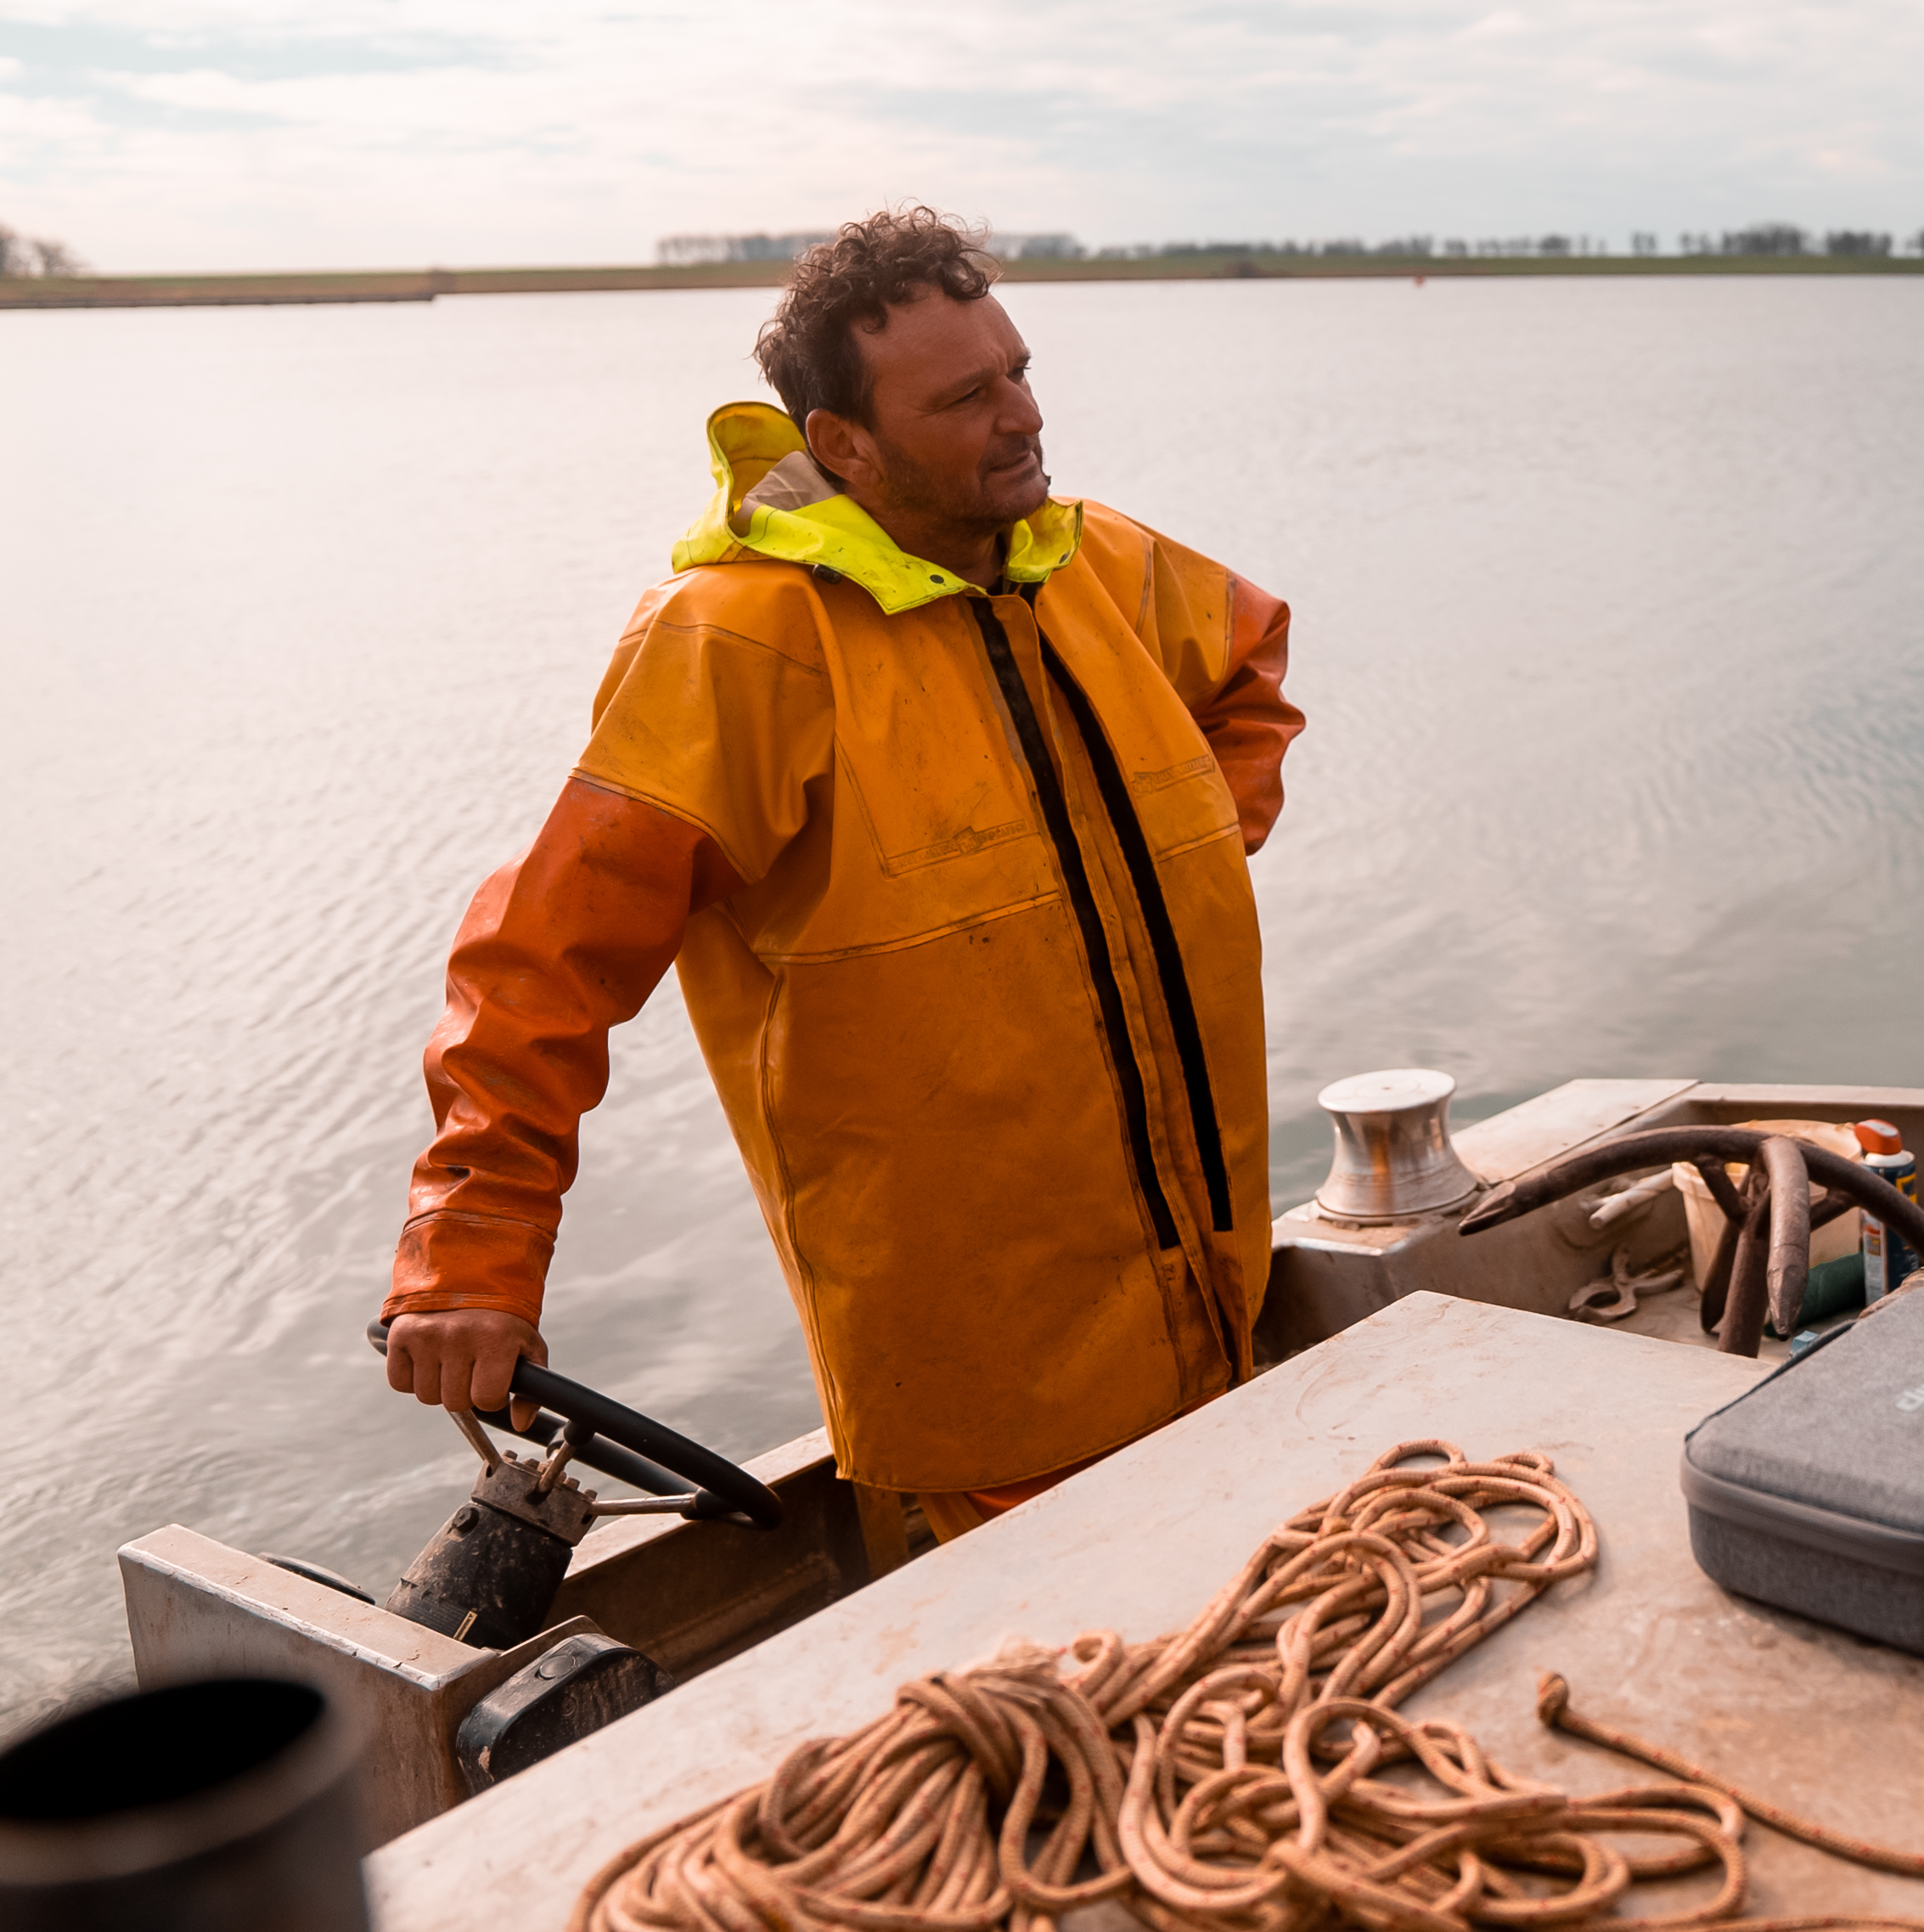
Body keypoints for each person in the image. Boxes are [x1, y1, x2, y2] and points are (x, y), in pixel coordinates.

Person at [378, 209, 1303, 1536]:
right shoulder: (740, 642)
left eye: (1020, 370)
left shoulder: (1093, 562)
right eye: (967, 397)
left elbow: (1249, 662)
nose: (1021, 416)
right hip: (982, 1415)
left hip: (1218, 1320)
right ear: (843, 443)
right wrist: (469, 1258)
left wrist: (1190, 850)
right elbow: (538, 965)